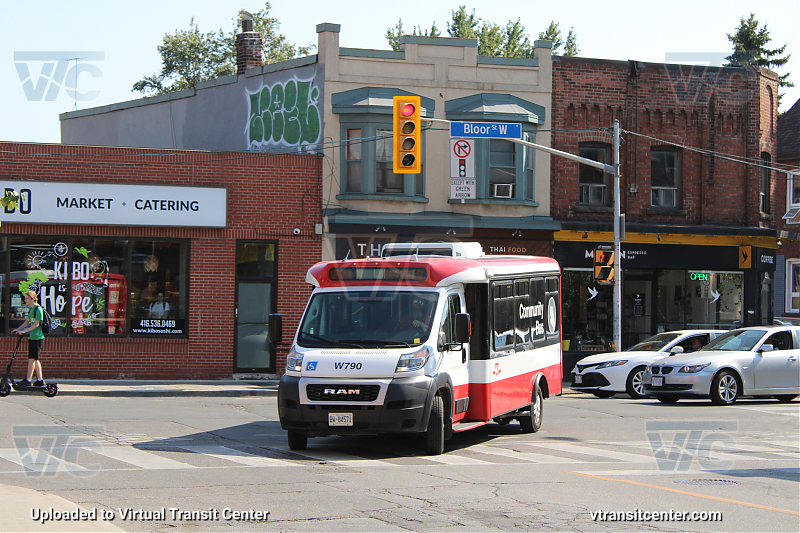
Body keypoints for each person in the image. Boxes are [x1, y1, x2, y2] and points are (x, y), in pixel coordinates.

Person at [11, 291, 45, 387]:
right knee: (35, 359)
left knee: (31, 359)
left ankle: (28, 380)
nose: (25, 300)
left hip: (37, 337)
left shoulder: (38, 309)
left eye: (26, 298)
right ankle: (40, 380)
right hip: (33, 337)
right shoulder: (31, 309)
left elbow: (36, 324)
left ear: (32, 298)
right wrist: (18, 329)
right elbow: (27, 321)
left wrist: (24, 331)